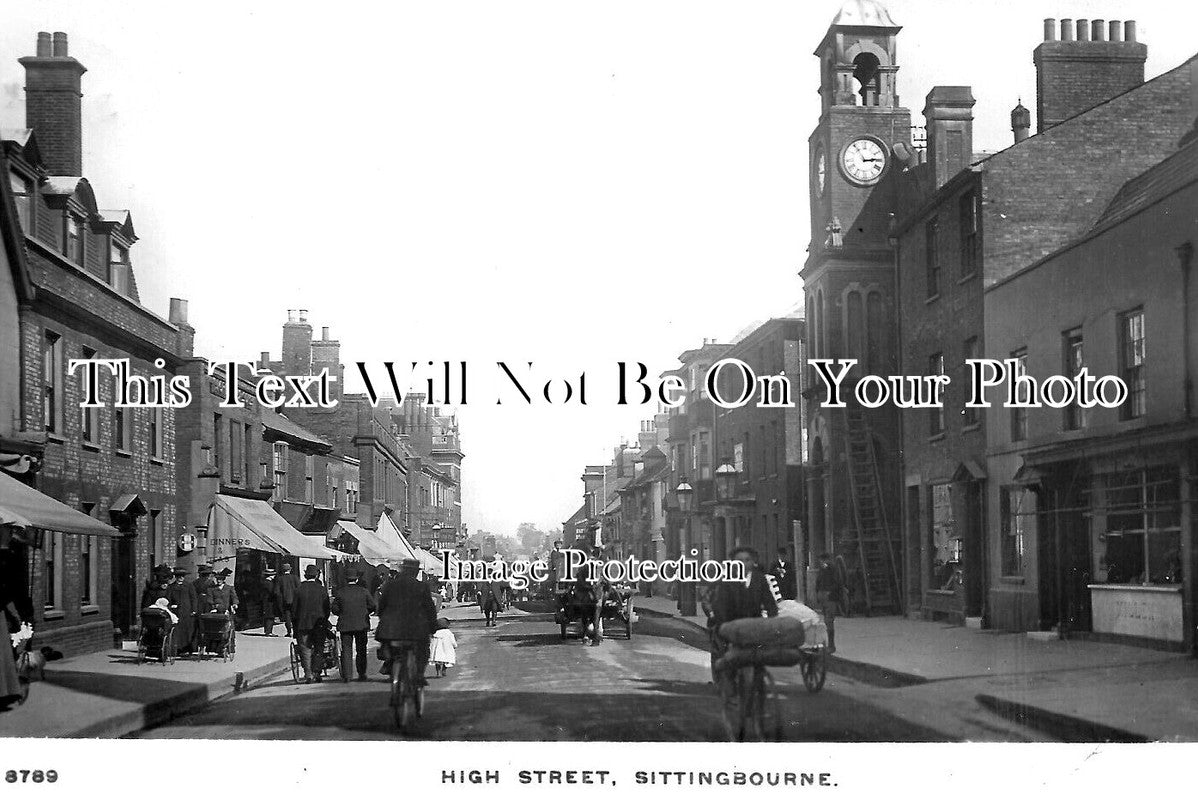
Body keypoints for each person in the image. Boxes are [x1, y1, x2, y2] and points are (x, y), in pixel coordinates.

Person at [707, 545, 778, 733]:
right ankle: (730, 694)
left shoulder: (759, 579)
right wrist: (728, 628)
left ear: (753, 562)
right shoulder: (727, 581)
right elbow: (720, 607)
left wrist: (771, 620)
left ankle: (759, 702)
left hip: (753, 627)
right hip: (733, 626)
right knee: (732, 663)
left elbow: (770, 603)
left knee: (758, 664)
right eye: (739, 561)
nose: (744, 564)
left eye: (747, 560)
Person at [375, 559, 438, 684]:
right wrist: (432, 627)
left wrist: (384, 621)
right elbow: (430, 609)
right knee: (423, 652)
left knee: (392, 651)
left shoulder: (390, 585)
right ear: (415, 572)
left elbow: (381, 607)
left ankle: (392, 670)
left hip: (391, 630)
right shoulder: (422, 586)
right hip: (416, 631)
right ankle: (419, 675)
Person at [332, 568, 375, 682]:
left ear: (346, 579)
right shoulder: (364, 591)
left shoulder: (340, 592)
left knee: (346, 649)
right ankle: (361, 673)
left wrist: (342, 612)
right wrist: (365, 612)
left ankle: (347, 676)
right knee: (361, 649)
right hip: (361, 624)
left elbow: (334, 609)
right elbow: (372, 605)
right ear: (357, 579)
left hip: (345, 625)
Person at [292, 564, 331, 683]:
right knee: (319, 648)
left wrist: (295, 624)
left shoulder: (299, 589)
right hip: (319, 624)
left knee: (305, 649)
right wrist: (325, 620)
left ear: (305, 575)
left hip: (303, 624)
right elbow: (327, 608)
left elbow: (294, 610)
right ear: (316, 575)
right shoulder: (322, 590)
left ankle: (308, 674)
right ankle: (317, 672)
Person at [815, 552, 845, 654]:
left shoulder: (832, 569)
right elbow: (818, 582)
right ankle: (830, 645)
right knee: (827, 621)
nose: (821, 562)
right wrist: (818, 594)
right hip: (824, 597)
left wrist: (829, 592)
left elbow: (838, 583)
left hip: (831, 598)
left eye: (822, 560)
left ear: (826, 560)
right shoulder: (822, 569)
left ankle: (831, 645)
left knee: (829, 620)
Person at [165, 567, 198, 654]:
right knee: (176, 630)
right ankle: (176, 648)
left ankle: (186, 649)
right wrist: (171, 606)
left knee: (187, 630)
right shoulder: (171, 587)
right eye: (179, 576)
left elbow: (193, 598)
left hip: (187, 611)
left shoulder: (189, 585)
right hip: (175, 612)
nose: (181, 578)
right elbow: (168, 599)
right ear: (176, 577)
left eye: (182, 576)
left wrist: (194, 609)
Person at [276, 562, 301, 637]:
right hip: (295, 600)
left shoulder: (280, 579)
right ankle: (296, 632)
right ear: (290, 570)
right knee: (295, 616)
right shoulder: (295, 578)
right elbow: (299, 588)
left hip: (285, 600)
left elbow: (277, 592)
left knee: (287, 616)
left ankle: (289, 631)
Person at [260, 567, 280, 636]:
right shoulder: (269, 583)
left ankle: (267, 631)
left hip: (266, 601)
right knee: (270, 616)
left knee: (267, 616)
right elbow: (273, 592)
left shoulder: (264, 582)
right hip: (269, 602)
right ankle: (269, 631)